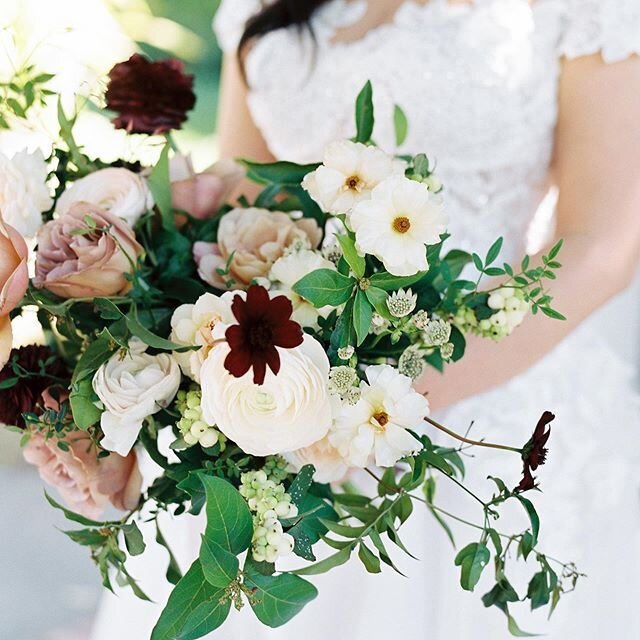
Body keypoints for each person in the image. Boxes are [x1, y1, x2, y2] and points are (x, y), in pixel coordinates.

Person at [91, 1, 640, 638]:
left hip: (485, 402)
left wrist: (379, 406)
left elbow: (602, 246)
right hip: (282, 396)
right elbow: (239, 204)